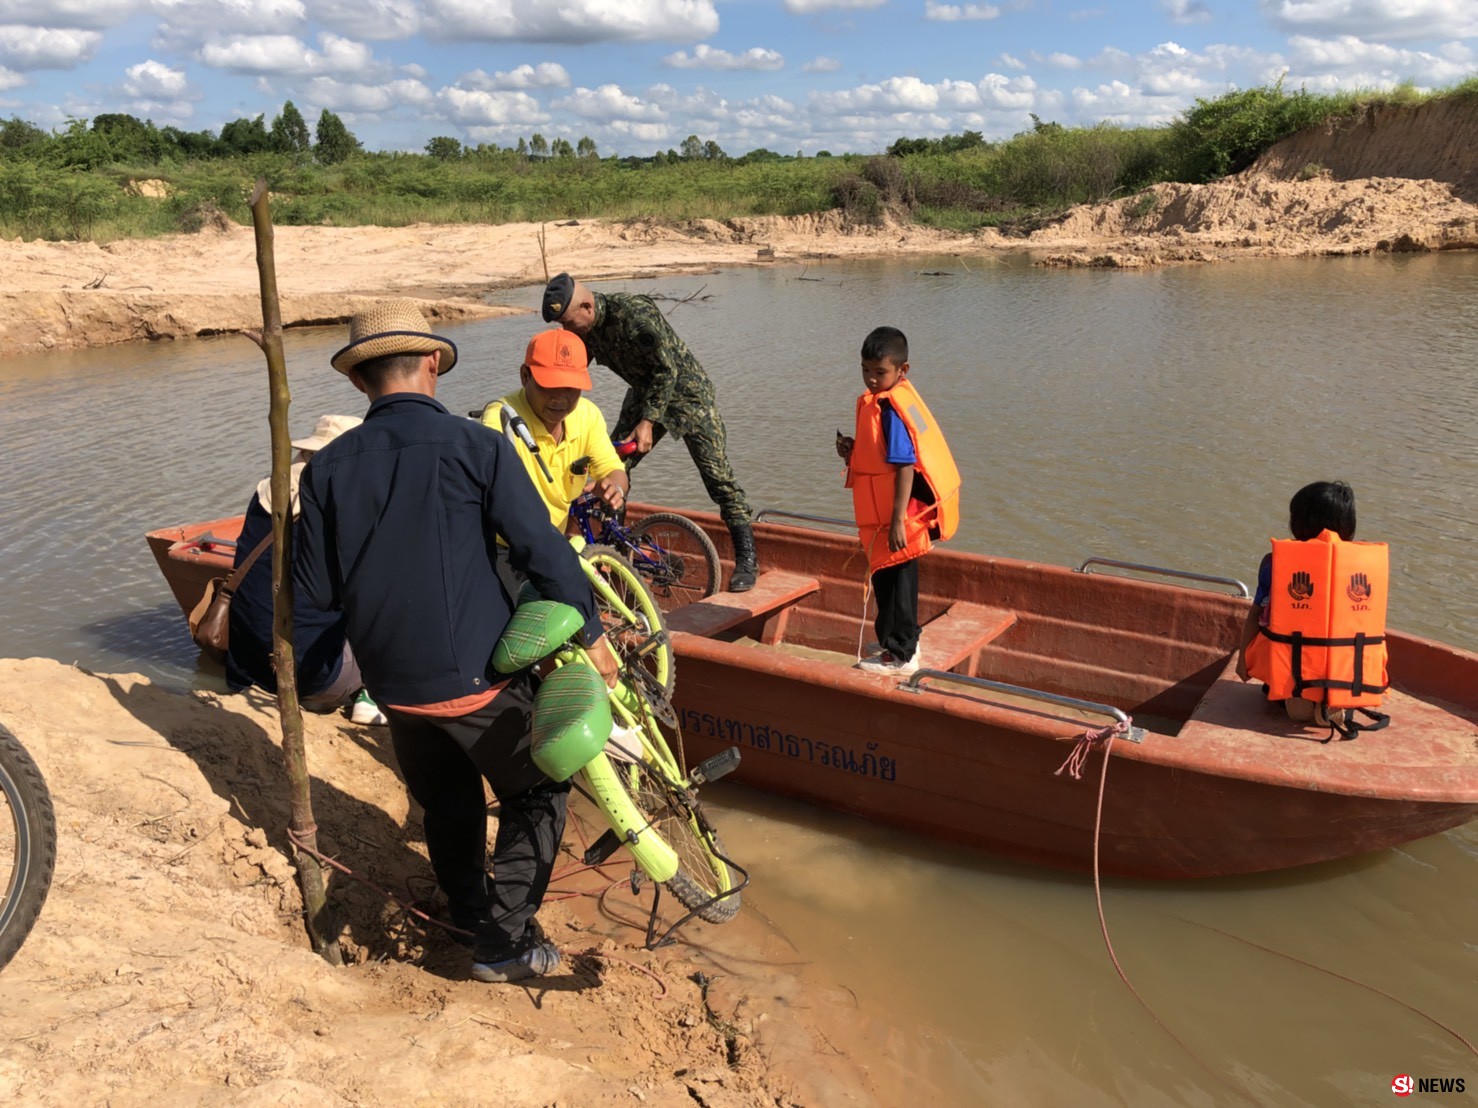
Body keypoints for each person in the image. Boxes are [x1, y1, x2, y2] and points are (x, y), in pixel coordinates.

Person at [294, 299, 619, 984]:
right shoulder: (480, 447)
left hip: (393, 687)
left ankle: (471, 910)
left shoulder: (325, 469)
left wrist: (319, 682)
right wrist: (590, 633)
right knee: (539, 792)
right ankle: (501, 943)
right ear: (434, 366)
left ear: (360, 383)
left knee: (447, 800)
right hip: (475, 677)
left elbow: (314, 601)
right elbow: (543, 552)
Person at [541, 272, 759, 591]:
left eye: (569, 323)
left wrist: (648, 422)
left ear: (587, 307)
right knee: (611, 463)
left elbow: (666, 371)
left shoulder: (633, 315)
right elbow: (571, 372)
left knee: (717, 477)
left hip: (687, 395)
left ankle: (747, 560)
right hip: (644, 393)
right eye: (561, 325)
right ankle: (617, 546)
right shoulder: (583, 329)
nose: (566, 330)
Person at [224, 413, 386, 725]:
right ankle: (371, 694)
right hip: (313, 679)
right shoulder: (339, 501)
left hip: (248, 665)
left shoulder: (266, 491)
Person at [837, 326, 961, 676]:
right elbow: (878, 457)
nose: (871, 379)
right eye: (865, 370)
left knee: (897, 589)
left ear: (902, 371)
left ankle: (902, 655)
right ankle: (896, 643)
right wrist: (852, 451)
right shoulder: (877, 404)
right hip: (885, 516)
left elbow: (905, 466)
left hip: (897, 519)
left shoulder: (892, 411)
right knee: (887, 583)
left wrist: (895, 523)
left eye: (880, 372)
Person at [1236, 480, 1388, 733]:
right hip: (1349, 674)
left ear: (1300, 523)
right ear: (1349, 526)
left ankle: (1293, 696)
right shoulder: (1365, 565)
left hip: (1292, 668)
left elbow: (1255, 613)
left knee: (1268, 624)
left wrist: (1243, 662)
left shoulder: (1275, 563)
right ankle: (1333, 699)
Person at [479, 327, 629, 535]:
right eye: (549, 385)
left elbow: (614, 470)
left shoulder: (587, 415)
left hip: (551, 540)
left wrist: (615, 487)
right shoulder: (502, 418)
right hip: (507, 542)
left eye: (570, 387)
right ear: (525, 376)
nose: (560, 399)